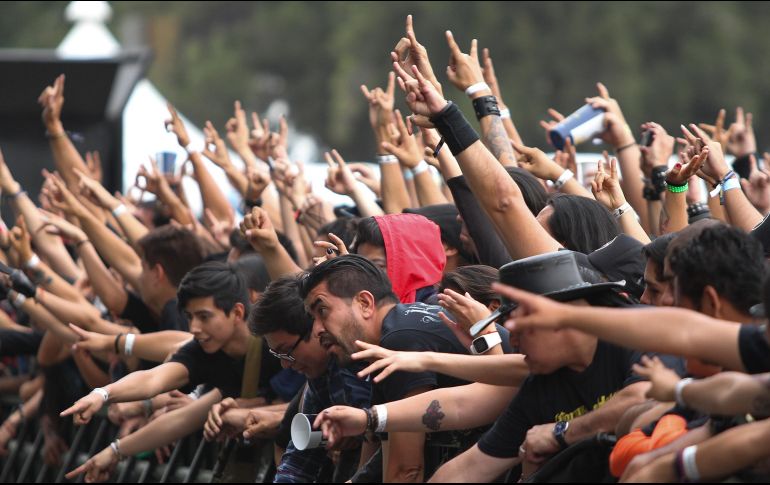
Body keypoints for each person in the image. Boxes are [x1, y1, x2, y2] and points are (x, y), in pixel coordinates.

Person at [299, 254, 510, 482]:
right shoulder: (396, 331)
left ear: (365, 303)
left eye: (322, 311)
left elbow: (406, 471)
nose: (317, 330)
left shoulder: (400, 339)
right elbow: (390, 452)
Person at [248, 275, 371, 483]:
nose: (285, 365)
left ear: (317, 327)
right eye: (278, 356)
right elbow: (298, 462)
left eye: (287, 352)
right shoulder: (319, 380)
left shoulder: (362, 362)